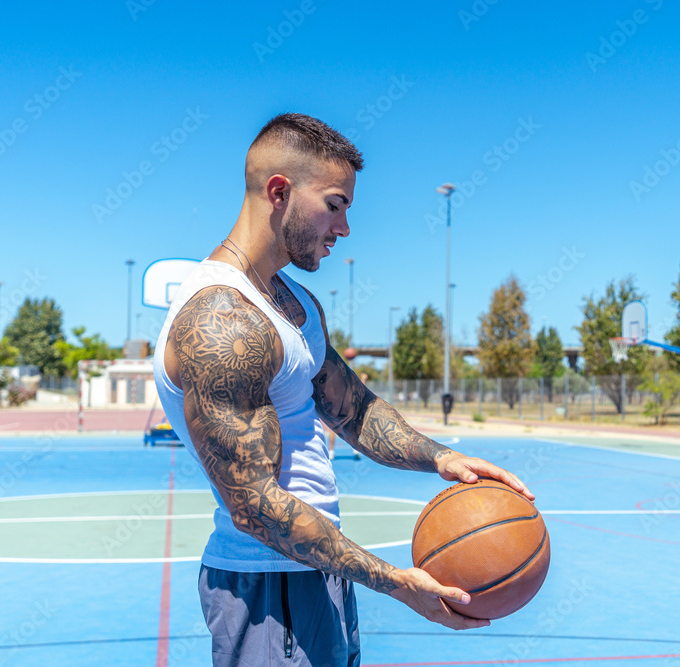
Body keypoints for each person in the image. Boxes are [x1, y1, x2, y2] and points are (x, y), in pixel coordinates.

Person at [153, 113, 534, 666]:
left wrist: (445, 460)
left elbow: (355, 412)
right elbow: (253, 505)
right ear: (279, 192)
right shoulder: (221, 319)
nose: (345, 228)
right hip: (268, 588)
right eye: (335, 204)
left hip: (318, 575)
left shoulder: (296, 304)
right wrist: (396, 583)